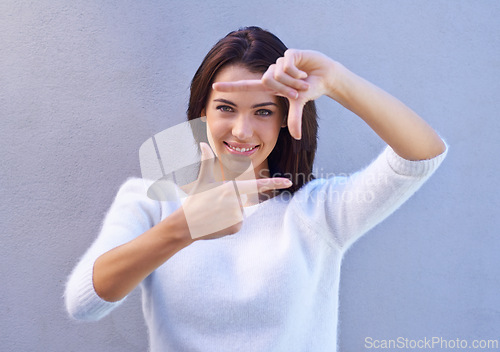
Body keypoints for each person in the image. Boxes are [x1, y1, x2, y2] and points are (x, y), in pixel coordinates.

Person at [65, 26, 447, 351]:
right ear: (202, 112)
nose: (242, 131)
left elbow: (422, 156)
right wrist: (182, 228)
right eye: (226, 108)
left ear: (284, 118)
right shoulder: (149, 202)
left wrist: (336, 80)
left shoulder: (319, 211)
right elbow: (84, 302)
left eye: (263, 111)